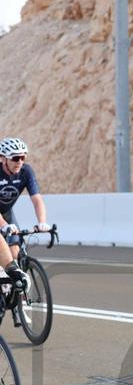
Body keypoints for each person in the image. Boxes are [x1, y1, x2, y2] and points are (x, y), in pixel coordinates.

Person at [0, 137, 48, 321]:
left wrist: (42, 222)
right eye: (15, 158)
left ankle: (18, 307)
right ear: (3, 159)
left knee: (15, 256)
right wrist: (4, 226)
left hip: (6, 214)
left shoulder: (26, 171)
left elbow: (37, 199)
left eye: (23, 157)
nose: (19, 161)